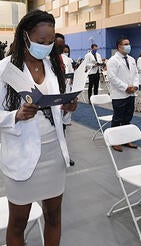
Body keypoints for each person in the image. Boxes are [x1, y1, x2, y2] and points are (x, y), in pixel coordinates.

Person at [0, 10, 77, 246]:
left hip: (53, 154)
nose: (46, 46)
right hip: (22, 155)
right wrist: (16, 115)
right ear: (25, 35)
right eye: (41, 40)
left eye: (51, 42)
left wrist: (67, 106)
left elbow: (55, 106)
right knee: (17, 223)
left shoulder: (54, 65)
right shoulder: (7, 68)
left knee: (53, 216)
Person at [107, 37, 139, 152]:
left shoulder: (131, 59)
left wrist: (135, 86)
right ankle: (114, 141)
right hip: (119, 94)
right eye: (126, 44)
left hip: (131, 94)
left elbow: (136, 74)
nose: (128, 46)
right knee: (118, 118)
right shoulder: (112, 60)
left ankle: (126, 140)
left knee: (127, 118)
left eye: (129, 43)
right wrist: (126, 87)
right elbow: (112, 78)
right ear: (119, 46)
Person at [55, 33, 76, 166]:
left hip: (65, 96)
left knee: (62, 128)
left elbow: (71, 76)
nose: (61, 49)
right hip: (53, 99)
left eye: (62, 46)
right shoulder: (46, 60)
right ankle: (58, 155)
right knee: (54, 128)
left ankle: (64, 154)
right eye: (58, 45)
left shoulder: (65, 60)